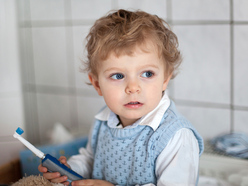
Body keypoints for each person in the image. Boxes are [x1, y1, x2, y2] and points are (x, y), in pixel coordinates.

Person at [38, 9, 204, 186]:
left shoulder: (176, 136)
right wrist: (69, 170)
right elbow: (91, 159)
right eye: (118, 76)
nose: (133, 88)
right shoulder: (103, 121)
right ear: (97, 84)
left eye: (147, 74)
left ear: (165, 80)